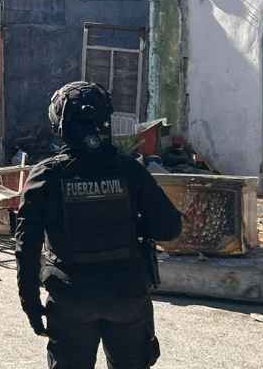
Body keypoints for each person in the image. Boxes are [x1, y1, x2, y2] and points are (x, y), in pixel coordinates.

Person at [15, 81, 182, 369]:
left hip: (70, 299)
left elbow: (26, 246)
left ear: (60, 126)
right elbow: (169, 228)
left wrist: (30, 304)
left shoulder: (45, 176)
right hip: (127, 296)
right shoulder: (130, 170)